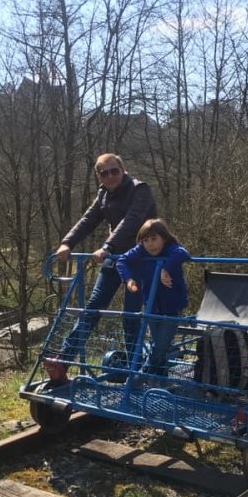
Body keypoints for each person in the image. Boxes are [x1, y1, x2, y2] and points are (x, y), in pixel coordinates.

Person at [46, 153, 157, 381]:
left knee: (131, 315)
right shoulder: (104, 194)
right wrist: (67, 243)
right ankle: (64, 360)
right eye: (103, 173)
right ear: (99, 175)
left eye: (114, 171)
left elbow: (133, 220)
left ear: (123, 169)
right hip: (115, 257)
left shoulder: (140, 190)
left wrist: (107, 245)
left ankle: (135, 369)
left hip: (139, 259)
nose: (110, 176)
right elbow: (88, 219)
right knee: (93, 308)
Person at [116, 219, 190, 376]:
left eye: (154, 239)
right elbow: (121, 260)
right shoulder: (142, 251)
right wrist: (128, 279)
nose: (150, 244)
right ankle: (159, 377)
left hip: (172, 307)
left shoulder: (171, 249)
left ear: (164, 237)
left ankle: (143, 374)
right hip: (151, 305)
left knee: (161, 345)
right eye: (145, 240)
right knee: (157, 344)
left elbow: (183, 253)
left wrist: (165, 268)